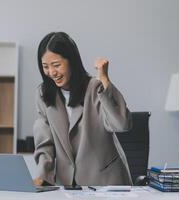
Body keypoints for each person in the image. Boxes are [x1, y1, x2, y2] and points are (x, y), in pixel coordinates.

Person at [33, 32, 132, 186]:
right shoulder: (43, 94)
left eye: (57, 65)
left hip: (105, 185)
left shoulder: (95, 88)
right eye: (45, 66)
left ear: (71, 61)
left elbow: (122, 124)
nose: (52, 72)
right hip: (68, 186)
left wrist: (104, 79)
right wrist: (42, 175)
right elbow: (45, 143)